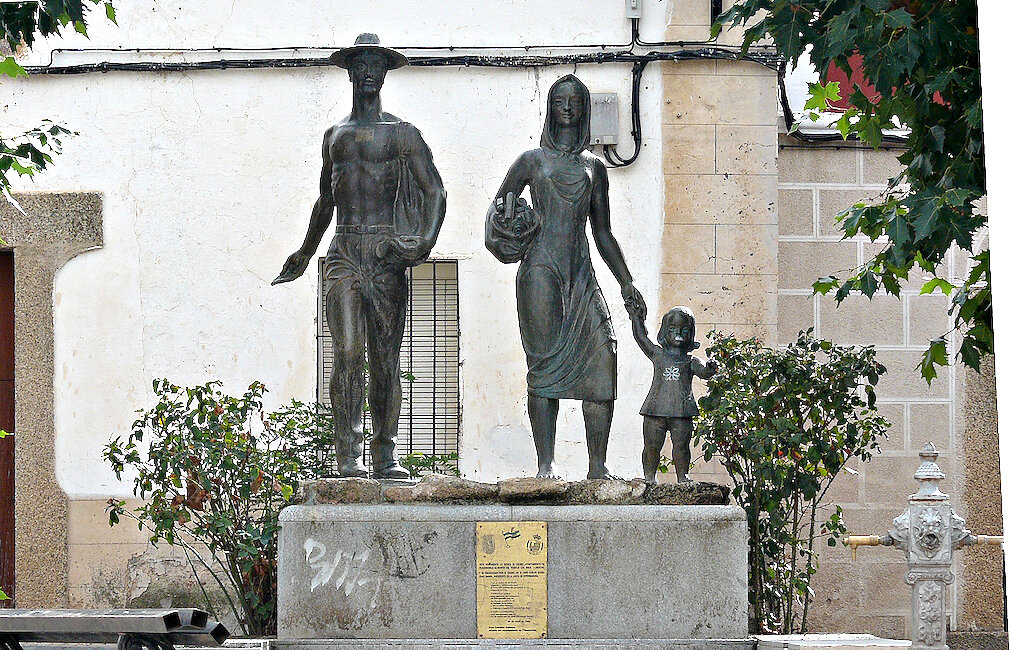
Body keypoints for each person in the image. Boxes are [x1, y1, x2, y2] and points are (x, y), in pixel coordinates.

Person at [272, 34, 447, 479]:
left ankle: (385, 453)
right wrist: (305, 251)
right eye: (361, 64)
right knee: (348, 351)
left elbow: (435, 191)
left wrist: (423, 243)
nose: (369, 71)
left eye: (376, 64)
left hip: (386, 254)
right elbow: (325, 200)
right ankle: (348, 454)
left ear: (385, 73)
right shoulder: (335, 137)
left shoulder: (403, 135)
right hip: (344, 252)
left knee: (385, 359)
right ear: (350, 71)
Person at [488, 74, 645, 480]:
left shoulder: (595, 167)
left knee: (604, 356)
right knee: (543, 368)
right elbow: (498, 209)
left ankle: (597, 466)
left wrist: (626, 281)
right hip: (540, 273)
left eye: (576, 101)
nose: (568, 107)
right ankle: (546, 463)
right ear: (551, 107)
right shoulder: (531, 161)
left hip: (580, 273)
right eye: (560, 100)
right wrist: (510, 226)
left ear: (585, 109)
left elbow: (603, 232)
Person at [629, 305, 718, 484]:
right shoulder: (657, 354)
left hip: (682, 411)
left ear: (690, 334)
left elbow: (704, 372)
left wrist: (710, 368)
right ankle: (649, 476)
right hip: (655, 410)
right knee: (652, 447)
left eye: (684, 329)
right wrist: (636, 318)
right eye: (672, 328)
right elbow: (641, 338)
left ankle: (682, 476)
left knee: (682, 447)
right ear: (664, 331)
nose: (678, 333)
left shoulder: (691, 361)